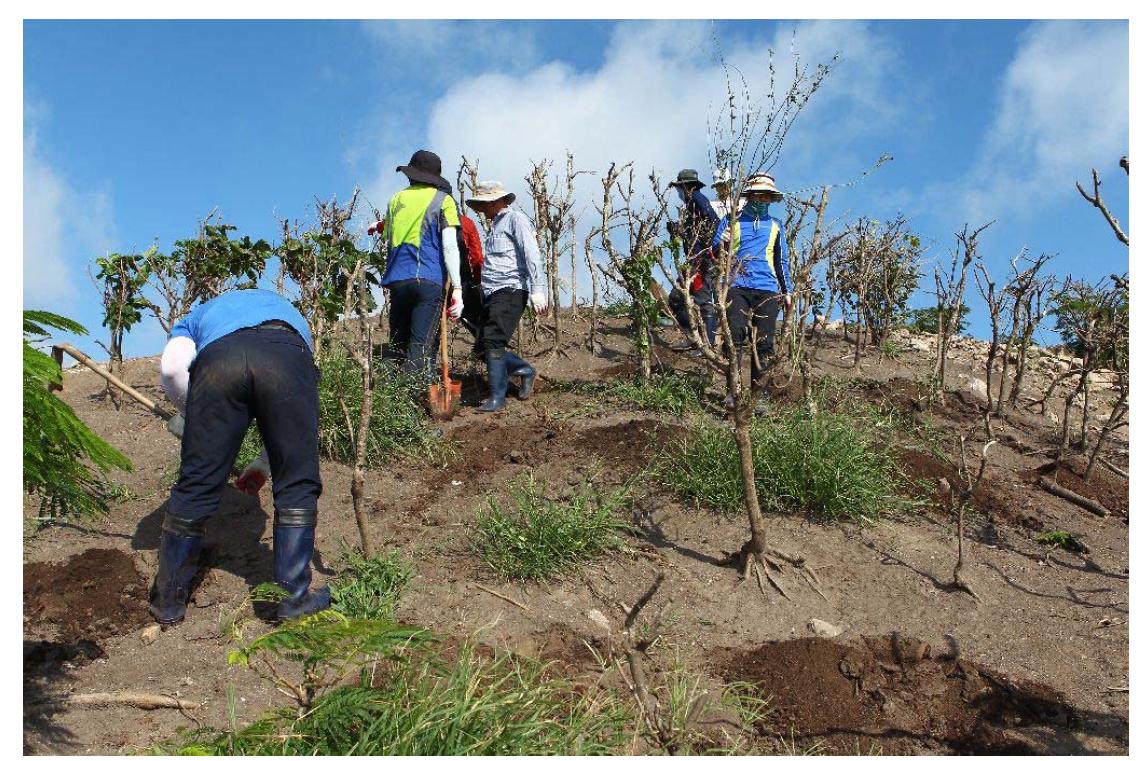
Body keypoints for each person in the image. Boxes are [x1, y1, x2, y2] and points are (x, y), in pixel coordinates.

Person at [152, 288, 328, 625]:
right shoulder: (291, 313)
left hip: (220, 362)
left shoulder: (197, 316)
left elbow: (173, 368)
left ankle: (167, 603)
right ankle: (294, 598)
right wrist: (267, 463)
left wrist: (195, 416)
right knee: (296, 481)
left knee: (196, 484)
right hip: (286, 356)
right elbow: (290, 430)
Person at [463, 180, 548, 412]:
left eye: (483, 205)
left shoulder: (515, 219)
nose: (481, 210)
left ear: (496, 201)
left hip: (511, 288)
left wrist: (538, 288)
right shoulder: (494, 227)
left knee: (492, 340)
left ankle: (497, 398)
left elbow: (531, 252)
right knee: (482, 347)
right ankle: (523, 369)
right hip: (492, 292)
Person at [378, 149, 464, 379]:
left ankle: (386, 402)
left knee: (397, 344)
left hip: (398, 282)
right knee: (420, 346)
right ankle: (410, 403)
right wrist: (457, 287)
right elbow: (450, 246)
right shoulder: (443, 200)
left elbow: (387, 233)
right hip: (428, 280)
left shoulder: (395, 200)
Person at [711, 173, 791, 407]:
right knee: (734, 335)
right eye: (757, 195)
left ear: (770, 199)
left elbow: (781, 261)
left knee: (764, 342)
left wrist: (786, 291)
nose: (761, 200)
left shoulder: (776, 226)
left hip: (767, 288)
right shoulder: (730, 220)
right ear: (750, 196)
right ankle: (733, 392)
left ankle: (760, 396)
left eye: (765, 196)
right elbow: (715, 255)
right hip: (736, 286)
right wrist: (721, 242)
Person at [665, 169, 720, 352]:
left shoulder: (697, 198)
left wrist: (708, 249)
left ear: (685, 187)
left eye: (680, 189)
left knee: (702, 301)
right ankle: (695, 338)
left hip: (700, 262)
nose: (679, 193)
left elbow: (714, 222)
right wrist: (679, 230)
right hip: (694, 261)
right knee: (676, 297)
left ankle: (707, 344)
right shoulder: (691, 207)